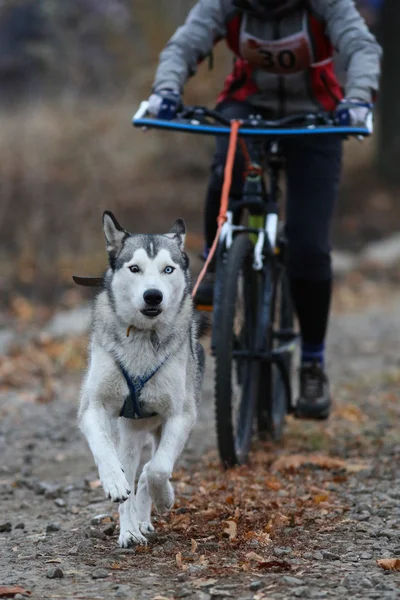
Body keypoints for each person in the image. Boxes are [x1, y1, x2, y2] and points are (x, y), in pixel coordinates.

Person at [146, 0, 382, 420]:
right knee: (225, 171)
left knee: (310, 248)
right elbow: (184, 45)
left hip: (319, 114)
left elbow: (362, 47)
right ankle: (216, 268)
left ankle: (312, 361)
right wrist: (165, 90)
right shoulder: (226, 4)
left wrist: (359, 97)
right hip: (247, 107)